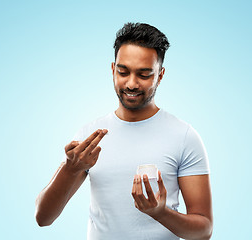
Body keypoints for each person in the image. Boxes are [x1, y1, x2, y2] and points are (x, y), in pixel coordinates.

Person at [35, 22, 213, 240]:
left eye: (144, 74)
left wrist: (160, 213)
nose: (131, 83)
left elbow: (204, 230)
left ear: (160, 75)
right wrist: (70, 170)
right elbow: (43, 218)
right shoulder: (90, 137)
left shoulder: (184, 137)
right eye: (123, 72)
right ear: (113, 70)